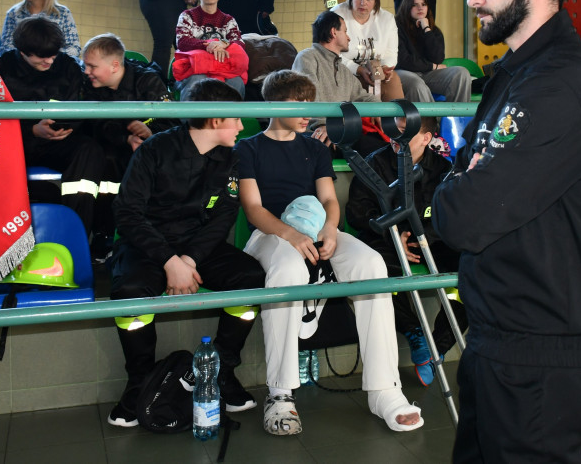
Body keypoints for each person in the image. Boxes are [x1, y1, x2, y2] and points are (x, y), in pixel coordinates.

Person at [432, 0, 581, 463]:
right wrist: (459, 184)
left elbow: (465, 215)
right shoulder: (516, 77)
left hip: (540, 351)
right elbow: (460, 177)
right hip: (498, 335)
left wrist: (457, 187)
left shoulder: (564, 84)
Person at [238, 69, 423, 436]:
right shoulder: (249, 148)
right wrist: (290, 234)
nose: (308, 111)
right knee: (289, 268)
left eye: (311, 102)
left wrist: (329, 229)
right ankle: (280, 393)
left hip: (317, 230)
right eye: (298, 103)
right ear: (274, 104)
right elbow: (254, 209)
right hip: (270, 234)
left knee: (370, 263)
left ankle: (384, 389)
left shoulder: (313, 147)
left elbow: (327, 198)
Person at [108, 78, 265, 427]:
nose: (242, 126)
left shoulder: (230, 159)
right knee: (130, 294)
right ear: (213, 121)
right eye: (235, 118)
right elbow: (128, 214)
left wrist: (190, 260)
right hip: (147, 246)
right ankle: (141, 384)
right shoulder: (154, 150)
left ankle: (221, 374)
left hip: (198, 247)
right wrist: (169, 261)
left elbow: (223, 216)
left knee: (250, 279)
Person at [345, 115, 467, 387]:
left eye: (405, 133)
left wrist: (423, 237)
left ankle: (438, 347)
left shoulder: (444, 168)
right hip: (386, 242)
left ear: (426, 138)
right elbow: (357, 212)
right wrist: (392, 234)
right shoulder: (373, 163)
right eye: (394, 131)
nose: (396, 140)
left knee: (472, 269)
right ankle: (417, 336)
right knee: (378, 272)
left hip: (431, 242)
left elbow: (450, 213)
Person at [0, 16, 105, 239]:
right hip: (14, 144)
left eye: (53, 55)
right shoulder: (0, 69)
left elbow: (77, 111)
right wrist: (32, 130)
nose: (49, 62)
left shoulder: (68, 67)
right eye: (42, 58)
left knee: (89, 149)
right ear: (22, 52)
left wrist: (63, 127)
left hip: (58, 143)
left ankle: (76, 234)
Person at [81, 33, 174, 242]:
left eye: (92, 66)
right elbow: (95, 124)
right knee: (104, 159)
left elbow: (171, 122)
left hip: (150, 150)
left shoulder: (148, 80)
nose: (86, 71)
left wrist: (150, 131)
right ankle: (104, 234)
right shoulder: (89, 85)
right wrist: (126, 138)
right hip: (112, 151)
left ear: (115, 65)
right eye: (85, 65)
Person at [292, 10, 386, 157]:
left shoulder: (343, 69)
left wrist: (381, 111)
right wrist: (322, 125)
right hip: (314, 133)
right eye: (345, 31)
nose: (348, 38)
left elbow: (363, 97)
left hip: (339, 133)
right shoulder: (307, 57)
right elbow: (308, 96)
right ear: (333, 32)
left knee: (381, 148)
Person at [173, 0, 248, 98]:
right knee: (198, 80)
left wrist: (223, 44)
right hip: (194, 68)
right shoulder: (187, 16)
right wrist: (209, 45)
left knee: (236, 81)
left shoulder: (228, 20)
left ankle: (230, 118)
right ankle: (192, 118)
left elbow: (239, 43)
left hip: (223, 67)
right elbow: (182, 41)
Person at [332, 0, 404, 102]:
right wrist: (358, 69)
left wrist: (385, 68)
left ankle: (398, 120)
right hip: (344, 73)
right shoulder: (336, 15)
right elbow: (331, 53)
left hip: (376, 71)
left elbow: (391, 53)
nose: (363, 3)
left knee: (393, 79)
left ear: (376, 1)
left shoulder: (387, 19)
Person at [395, 0, 471, 102]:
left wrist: (426, 29)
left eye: (423, 4)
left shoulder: (433, 31)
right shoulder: (396, 27)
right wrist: (433, 67)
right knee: (417, 83)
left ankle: (456, 117)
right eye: (414, 5)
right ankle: (431, 119)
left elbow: (438, 58)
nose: (420, 8)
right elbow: (403, 60)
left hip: (428, 74)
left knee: (461, 73)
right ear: (407, 7)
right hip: (404, 72)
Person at [0, 0, 81, 59]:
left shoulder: (62, 13)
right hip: (22, 69)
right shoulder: (13, 13)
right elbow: (5, 48)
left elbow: (74, 48)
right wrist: (29, 59)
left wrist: (48, 58)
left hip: (55, 68)